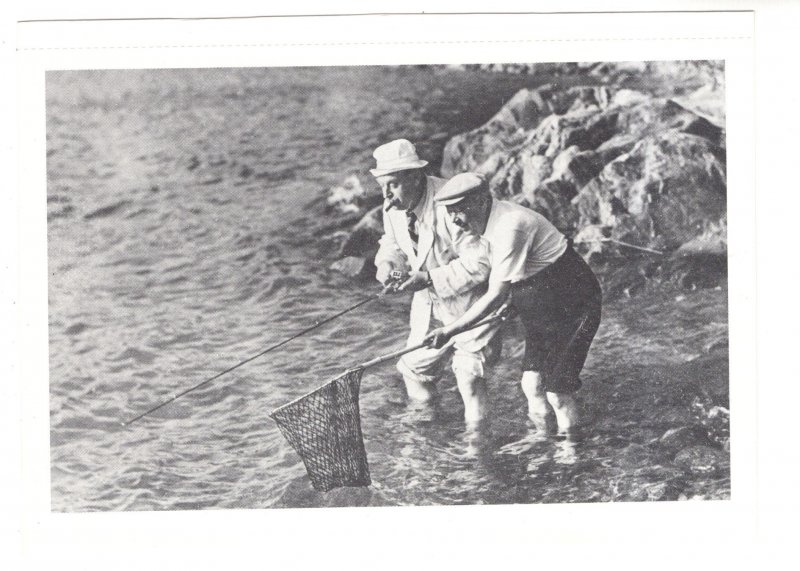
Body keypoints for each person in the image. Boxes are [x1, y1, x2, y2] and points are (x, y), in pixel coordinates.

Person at [424, 172, 602, 434]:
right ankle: (545, 440)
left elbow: (496, 292)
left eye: (459, 210)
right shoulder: (488, 226)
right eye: (450, 212)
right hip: (543, 303)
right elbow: (523, 274)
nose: (455, 220)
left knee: (557, 393)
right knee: (531, 385)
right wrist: (516, 303)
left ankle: (572, 455)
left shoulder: (510, 225)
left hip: (575, 304)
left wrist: (450, 331)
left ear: (482, 202)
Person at [371, 140, 502, 424]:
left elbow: (481, 264)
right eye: (383, 185)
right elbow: (391, 243)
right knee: (413, 370)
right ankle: (430, 433)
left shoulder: (451, 201)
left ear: (416, 176)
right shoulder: (392, 205)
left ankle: (476, 449)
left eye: (392, 184)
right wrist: (387, 265)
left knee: (468, 376)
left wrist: (428, 277)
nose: (386, 194)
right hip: (431, 305)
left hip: (474, 303)